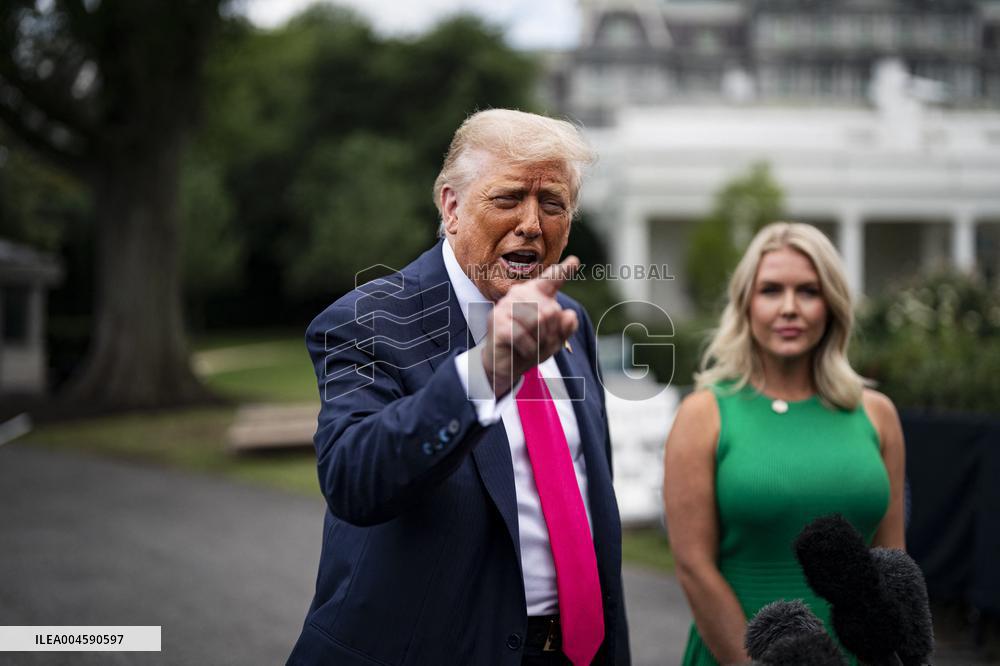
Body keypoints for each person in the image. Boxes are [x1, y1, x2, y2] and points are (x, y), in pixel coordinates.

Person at [287, 109, 630, 666]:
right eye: (508, 198)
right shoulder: (369, 320)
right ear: (451, 206)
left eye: (552, 204)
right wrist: (487, 372)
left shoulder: (569, 320)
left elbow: (590, 502)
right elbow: (354, 479)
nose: (532, 224)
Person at [662, 222, 906, 665]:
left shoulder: (877, 414)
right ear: (746, 304)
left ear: (831, 305)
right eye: (771, 290)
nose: (789, 308)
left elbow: (891, 563)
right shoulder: (704, 415)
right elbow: (693, 568)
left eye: (808, 291)